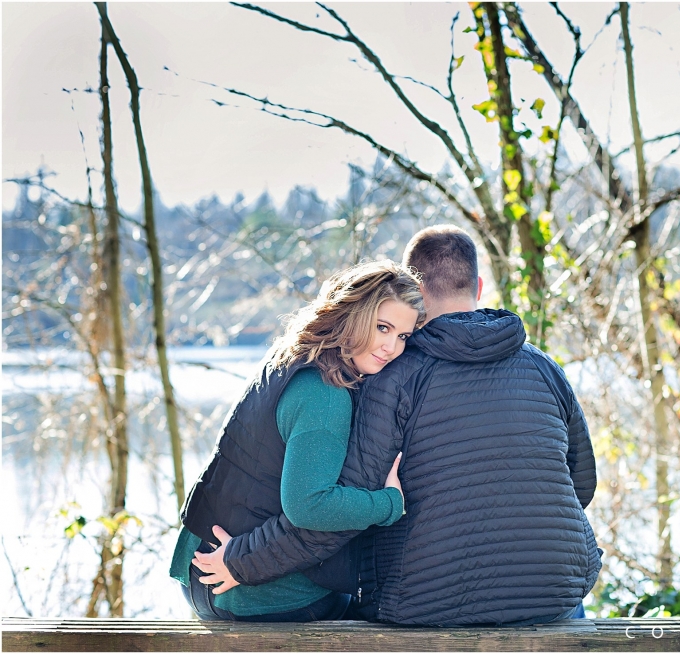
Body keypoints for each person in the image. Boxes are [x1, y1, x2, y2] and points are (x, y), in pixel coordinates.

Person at [206, 225, 601, 626]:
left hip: (423, 604)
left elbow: (335, 512)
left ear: (414, 293)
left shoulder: (393, 378)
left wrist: (243, 561)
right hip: (556, 591)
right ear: (478, 285)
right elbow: (580, 484)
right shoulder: (544, 367)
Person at [170, 260, 425, 622]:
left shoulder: (289, 358)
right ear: (352, 315)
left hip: (203, 568)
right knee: (380, 616)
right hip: (243, 587)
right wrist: (389, 504)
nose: (390, 347)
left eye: (402, 336)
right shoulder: (325, 395)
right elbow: (309, 505)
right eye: (382, 327)